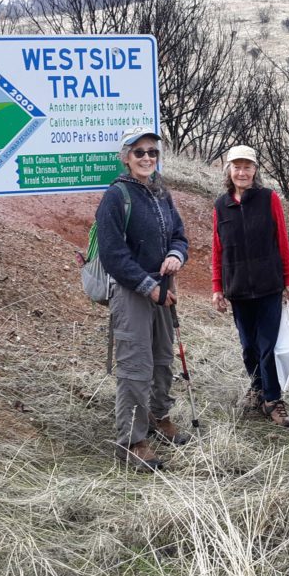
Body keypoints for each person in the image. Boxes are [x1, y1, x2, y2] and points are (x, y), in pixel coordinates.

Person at [97, 127, 190, 472]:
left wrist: (177, 256)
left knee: (164, 358)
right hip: (133, 291)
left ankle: (159, 416)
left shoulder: (162, 194)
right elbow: (112, 254)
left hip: (164, 289)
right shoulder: (116, 196)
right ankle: (133, 442)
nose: (147, 158)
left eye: (153, 152)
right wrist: (146, 284)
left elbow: (179, 235)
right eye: (140, 152)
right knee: (136, 366)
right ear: (126, 157)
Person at [211, 145, 289, 427]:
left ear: (255, 170)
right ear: (229, 170)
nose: (242, 172)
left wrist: (288, 280)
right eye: (236, 166)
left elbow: (282, 240)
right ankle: (258, 387)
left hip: (268, 285)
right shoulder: (221, 205)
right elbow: (218, 249)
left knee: (267, 346)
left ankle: (273, 399)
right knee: (248, 346)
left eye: (247, 166)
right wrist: (217, 287)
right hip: (237, 288)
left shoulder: (268, 198)